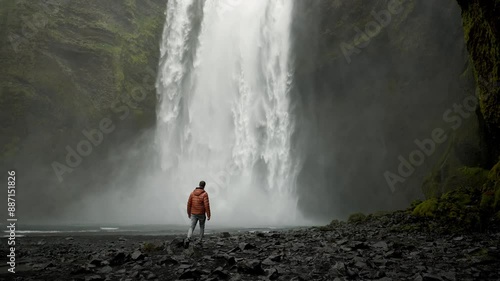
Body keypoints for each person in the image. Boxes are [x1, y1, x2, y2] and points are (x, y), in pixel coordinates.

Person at [184, 180, 211, 248]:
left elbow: (189, 204)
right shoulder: (205, 194)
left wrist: (188, 213)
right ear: (204, 186)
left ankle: (188, 238)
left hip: (193, 213)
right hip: (201, 213)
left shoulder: (192, 193)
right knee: (202, 227)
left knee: (191, 227)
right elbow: (206, 205)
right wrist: (208, 215)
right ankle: (200, 240)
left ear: (199, 185)